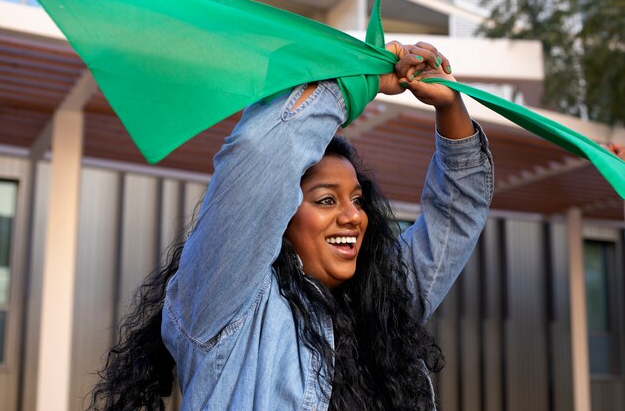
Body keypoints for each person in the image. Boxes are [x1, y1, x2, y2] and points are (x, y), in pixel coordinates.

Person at [88, 41, 493, 411]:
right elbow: (260, 153)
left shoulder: (381, 301)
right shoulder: (227, 305)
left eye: (356, 200)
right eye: (326, 200)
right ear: (277, 216)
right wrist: (357, 80)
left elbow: (454, 216)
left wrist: (450, 108)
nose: (353, 216)